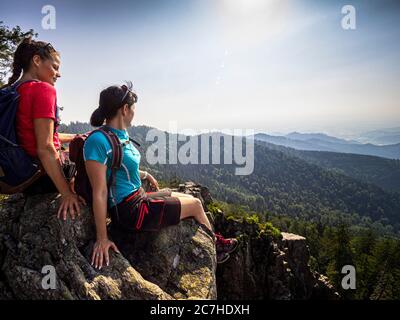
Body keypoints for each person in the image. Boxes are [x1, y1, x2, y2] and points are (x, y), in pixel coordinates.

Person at [84, 83, 239, 269]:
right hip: (130, 211)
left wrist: (146, 174)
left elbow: (120, 168)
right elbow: (99, 191)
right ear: (125, 109)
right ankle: (216, 246)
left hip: (138, 197)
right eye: (133, 107)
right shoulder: (98, 141)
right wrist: (102, 238)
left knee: (187, 197)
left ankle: (214, 239)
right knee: (196, 205)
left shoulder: (120, 134)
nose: (134, 112)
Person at [4, 37, 84, 219]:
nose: (58, 74)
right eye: (55, 67)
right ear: (37, 60)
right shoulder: (43, 90)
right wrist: (66, 193)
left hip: (18, 175)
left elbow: (34, 134)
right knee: (98, 150)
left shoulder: (13, 91)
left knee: (80, 140)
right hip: (42, 177)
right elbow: (45, 147)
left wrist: (74, 136)